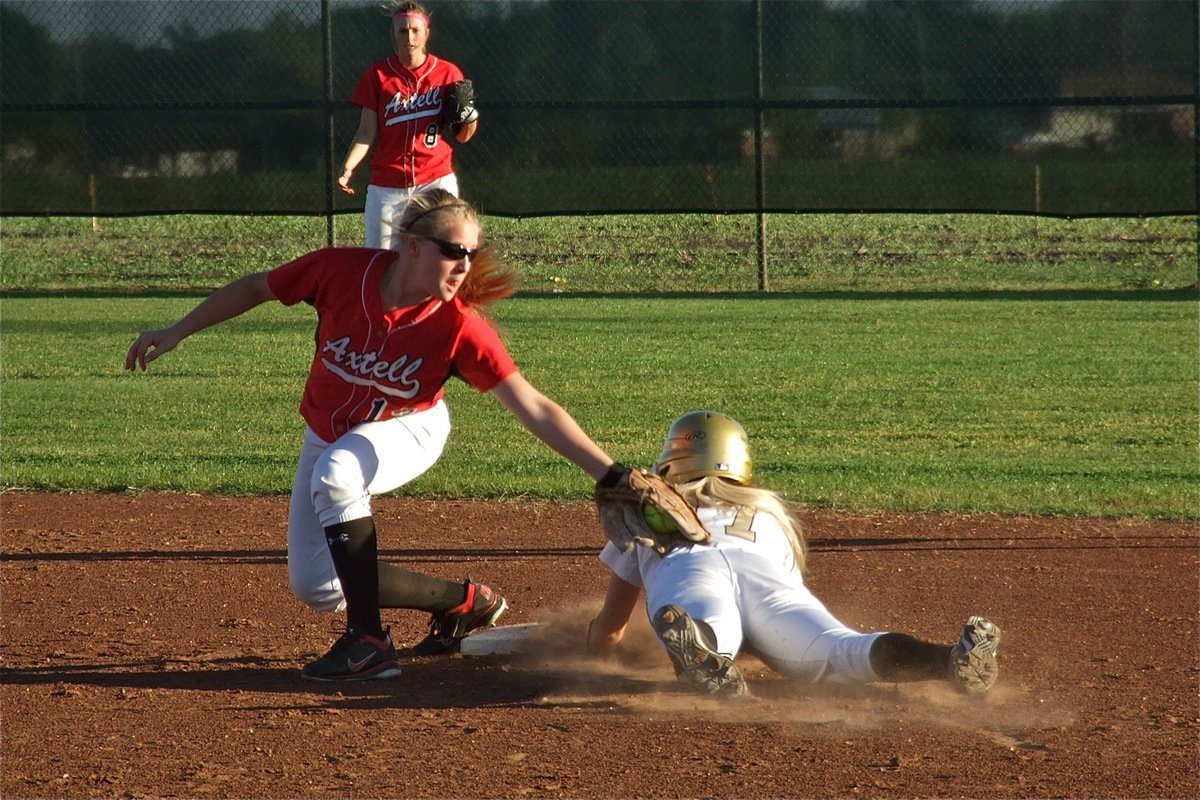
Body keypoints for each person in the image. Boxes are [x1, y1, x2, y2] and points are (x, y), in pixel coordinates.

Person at [126, 189, 627, 682]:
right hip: (327, 434)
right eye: (453, 252)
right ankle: (465, 603)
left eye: (470, 255)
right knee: (317, 586)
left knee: (339, 473)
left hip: (408, 428)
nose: (464, 266)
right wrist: (177, 330)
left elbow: (533, 406)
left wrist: (610, 473)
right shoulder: (341, 272)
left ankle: (368, 642)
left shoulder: (459, 327)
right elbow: (258, 286)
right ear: (411, 245)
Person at [586, 410, 1002, 697]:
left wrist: (591, 659)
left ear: (671, 460)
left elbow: (611, 627)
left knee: (711, 633)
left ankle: (708, 653)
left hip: (690, 570)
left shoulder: (646, 511)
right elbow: (773, 593)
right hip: (767, 578)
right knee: (842, 649)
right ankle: (946, 659)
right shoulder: (768, 510)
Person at [338, 1, 479, 250]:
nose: (409, 37)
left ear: (426, 33)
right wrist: (348, 168)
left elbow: (464, 136)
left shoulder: (447, 74)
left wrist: (469, 117)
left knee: (447, 250)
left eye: (415, 30)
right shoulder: (378, 75)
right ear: (392, 34)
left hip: (435, 179)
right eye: (402, 30)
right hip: (387, 185)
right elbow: (366, 131)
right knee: (381, 258)